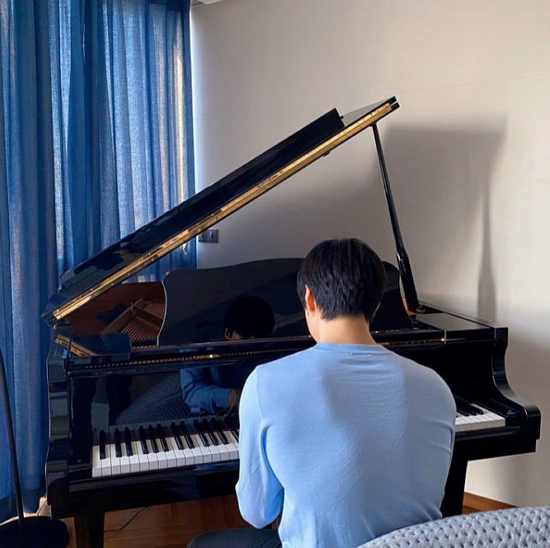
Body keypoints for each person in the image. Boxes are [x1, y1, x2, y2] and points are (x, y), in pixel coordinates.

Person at [188, 238, 456, 548]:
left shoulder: (265, 382)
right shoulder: (436, 386)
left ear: (310, 299)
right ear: (377, 303)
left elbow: (257, 513)